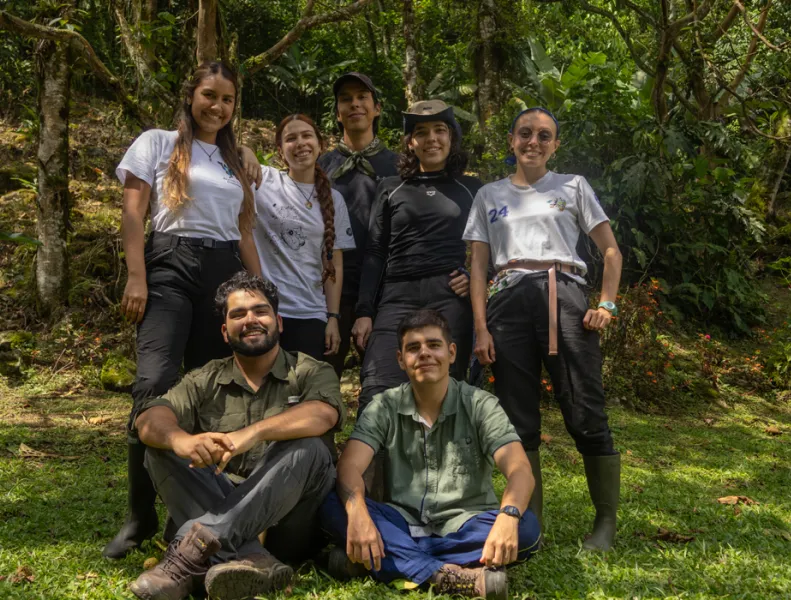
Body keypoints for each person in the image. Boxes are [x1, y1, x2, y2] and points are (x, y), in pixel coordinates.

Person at [105, 61, 263, 559]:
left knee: (207, 389)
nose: (217, 106)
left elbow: (243, 231)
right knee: (153, 382)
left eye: (227, 100)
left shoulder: (236, 158)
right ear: (190, 95)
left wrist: (260, 291)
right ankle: (138, 515)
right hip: (170, 262)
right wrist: (137, 275)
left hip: (224, 269)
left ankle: (186, 513)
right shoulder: (156, 141)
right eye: (209, 96)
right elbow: (133, 210)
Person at [463, 107, 623, 551]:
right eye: (526, 133)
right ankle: (529, 524)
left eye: (544, 135)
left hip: (564, 298)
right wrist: (480, 328)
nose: (534, 141)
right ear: (511, 140)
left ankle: (605, 523)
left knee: (585, 409)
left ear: (555, 144)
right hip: (508, 302)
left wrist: (606, 304)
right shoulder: (488, 195)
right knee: (518, 416)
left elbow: (610, 251)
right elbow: (477, 267)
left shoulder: (572, 186)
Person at [129, 272, 343, 600]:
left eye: (260, 311)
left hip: (288, 522)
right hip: (217, 495)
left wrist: (252, 434)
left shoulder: (310, 370)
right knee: (159, 448)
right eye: (238, 314)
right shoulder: (205, 378)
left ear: (279, 322)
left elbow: (323, 414)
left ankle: (189, 557)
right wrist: (179, 440)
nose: (250, 320)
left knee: (311, 447)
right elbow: (148, 420)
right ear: (225, 332)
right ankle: (253, 560)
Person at [321, 309, 540, 599]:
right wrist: (359, 512)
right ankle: (444, 575)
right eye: (413, 348)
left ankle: (377, 558)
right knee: (332, 505)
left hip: (467, 524)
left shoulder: (480, 404)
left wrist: (508, 516)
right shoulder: (384, 406)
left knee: (527, 530)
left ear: (451, 353)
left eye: (433, 345)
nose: (424, 353)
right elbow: (349, 465)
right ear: (401, 360)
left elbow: (520, 470)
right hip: (402, 520)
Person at [352, 100, 479, 415]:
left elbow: (493, 243)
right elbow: (375, 251)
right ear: (410, 142)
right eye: (421, 132)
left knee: (445, 391)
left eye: (440, 130)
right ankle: (377, 463)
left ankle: (441, 463)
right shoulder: (391, 187)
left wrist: (480, 278)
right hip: (397, 295)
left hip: (449, 295)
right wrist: (364, 311)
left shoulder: (472, 188)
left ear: (451, 138)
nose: (432, 139)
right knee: (377, 390)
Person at [251, 114, 355, 361]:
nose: (300, 143)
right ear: (280, 150)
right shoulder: (263, 181)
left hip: (311, 313)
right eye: (291, 138)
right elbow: (229, 156)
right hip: (266, 311)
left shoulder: (333, 199)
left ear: (320, 145)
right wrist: (245, 150)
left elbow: (334, 263)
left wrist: (333, 317)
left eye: (307, 136)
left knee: (302, 394)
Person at [318, 72, 399, 377]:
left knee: (385, 381)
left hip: (383, 287)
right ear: (338, 113)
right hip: (330, 286)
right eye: (346, 99)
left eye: (362, 97)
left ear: (377, 108)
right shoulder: (320, 166)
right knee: (320, 379)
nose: (355, 105)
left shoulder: (399, 165)